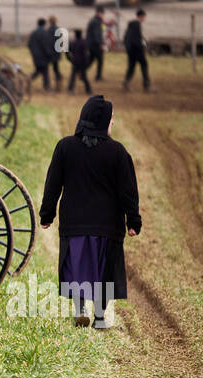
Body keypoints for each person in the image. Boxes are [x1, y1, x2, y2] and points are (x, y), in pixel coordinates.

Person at [38, 96, 142, 329]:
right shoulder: (117, 152)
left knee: (78, 266)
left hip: (74, 223)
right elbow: (128, 191)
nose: (112, 123)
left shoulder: (65, 147)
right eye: (111, 119)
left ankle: (80, 309)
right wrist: (133, 220)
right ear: (104, 121)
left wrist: (47, 214)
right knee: (103, 269)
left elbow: (53, 183)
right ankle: (101, 317)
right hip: (107, 225)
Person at [123, 9, 151, 92]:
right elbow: (136, 40)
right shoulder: (136, 25)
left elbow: (126, 37)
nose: (144, 19)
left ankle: (126, 83)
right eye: (144, 17)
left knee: (131, 67)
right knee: (144, 65)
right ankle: (147, 85)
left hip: (130, 50)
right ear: (141, 16)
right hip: (137, 50)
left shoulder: (131, 25)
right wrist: (142, 47)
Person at [28, 19, 54, 92]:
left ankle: (28, 79)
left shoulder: (34, 33)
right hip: (43, 57)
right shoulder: (45, 34)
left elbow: (29, 44)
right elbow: (46, 46)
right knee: (44, 72)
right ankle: (46, 87)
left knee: (39, 71)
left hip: (36, 56)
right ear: (44, 24)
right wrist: (50, 55)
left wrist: (33, 53)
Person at [68, 29, 93, 94]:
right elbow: (86, 54)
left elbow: (67, 52)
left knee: (73, 77)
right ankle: (88, 89)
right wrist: (87, 62)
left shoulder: (72, 43)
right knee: (84, 76)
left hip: (75, 62)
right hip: (82, 62)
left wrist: (70, 59)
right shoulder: (84, 43)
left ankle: (70, 89)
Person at [86, 5, 106, 81]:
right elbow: (96, 34)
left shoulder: (96, 20)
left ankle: (82, 72)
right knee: (100, 61)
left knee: (90, 60)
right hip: (95, 45)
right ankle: (98, 76)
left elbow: (101, 30)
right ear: (99, 13)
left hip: (91, 44)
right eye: (102, 14)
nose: (103, 15)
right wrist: (101, 44)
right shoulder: (96, 22)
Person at [49, 16, 67, 91]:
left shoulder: (49, 30)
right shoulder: (58, 29)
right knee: (56, 68)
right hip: (57, 52)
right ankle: (59, 81)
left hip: (52, 52)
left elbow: (49, 41)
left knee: (55, 68)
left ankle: (58, 82)